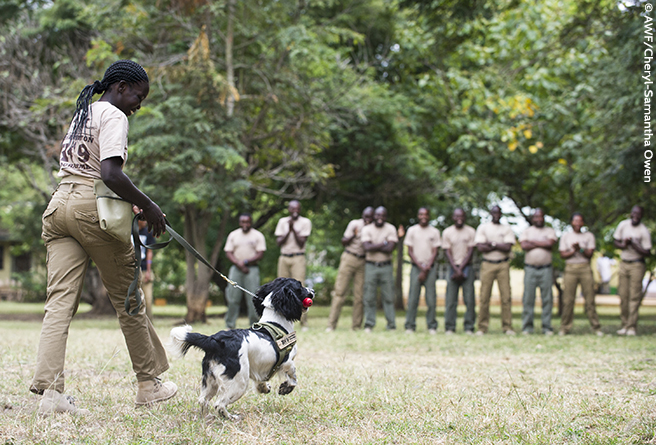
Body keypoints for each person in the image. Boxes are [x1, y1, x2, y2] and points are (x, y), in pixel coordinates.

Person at [31, 60, 176, 415]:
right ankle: (148, 384)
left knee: (59, 304)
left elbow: (86, 170)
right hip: (89, 207)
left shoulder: (84, 112)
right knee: (129, 298)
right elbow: (110, 174)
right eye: (138, 96)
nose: (138, 105)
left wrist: (131, 202)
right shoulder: (114, 115)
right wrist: (150, 205)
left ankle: (50, 394)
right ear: (121, 87)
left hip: (59, 205)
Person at [326, 207, 374, 332]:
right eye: (366, 216)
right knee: (340, 292)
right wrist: (354, 234)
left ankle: (356, 326)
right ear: (362, 215)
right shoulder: (355, 224)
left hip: (363, 262)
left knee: (359, 296)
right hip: (349, 258)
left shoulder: (373, 228)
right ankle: (331, 325)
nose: (368, 219)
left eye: (370, 217)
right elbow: (344, 241)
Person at [558, 213, 602, 336]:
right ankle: (564, 328)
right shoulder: (566, 236)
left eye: (580, 221)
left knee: (589, 299)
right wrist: (573, 250)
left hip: (585, 268)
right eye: (575, 221)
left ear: (583, 223)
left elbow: (590, 254)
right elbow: (562, 255)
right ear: (571, 222)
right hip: (570, 269)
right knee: (568, 300)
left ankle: (596, 327)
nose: (578, 223)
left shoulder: (589, 236)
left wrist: (580, 249)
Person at [475, 205, 517, 335]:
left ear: (501, 214)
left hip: (503, 265)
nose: (496, 215)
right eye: (494, 212)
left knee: (506, 297)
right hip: (487, 264)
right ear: (490, 213)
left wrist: (491, 244)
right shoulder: (483, 228)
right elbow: (480, 247)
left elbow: (508, 247)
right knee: (484, 297)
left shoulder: (506, 228)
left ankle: (507, 327)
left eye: (498, 212)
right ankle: (482, 327)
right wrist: (499, 245)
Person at [614, 205, 652, 336]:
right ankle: (624, 324)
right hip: (624, 263)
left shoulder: (644, 231)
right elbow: (616, 242)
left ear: (641, 216)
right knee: (623, 295)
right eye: (634, 213)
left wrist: (635, 245)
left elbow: (647, 252)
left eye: (638, 214)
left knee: (634, 297)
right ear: (630, 213)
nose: (635, 215)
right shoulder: (623, 225)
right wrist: (624, 245)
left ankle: (631, 327)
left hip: (637, 265)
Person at [224, 213, 266, 329]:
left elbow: (260, 253)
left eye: (247, 222)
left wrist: (246, 262)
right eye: (243, 222)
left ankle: (254, 325)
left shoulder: (257, 235)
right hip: (236, 269)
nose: (245, 224)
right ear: (239, 223)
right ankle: (230, 325)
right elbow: (228, 252)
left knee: (253, 297)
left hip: (251, 269)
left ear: (251, 222)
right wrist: (239, 263)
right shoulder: (234, 235)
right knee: (232, 297)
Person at [519, 208, 557, 335]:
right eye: (536, 217)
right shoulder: (527, 231)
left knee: (547, 299)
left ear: (544, 218)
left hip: (546, 269)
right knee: (528, 298)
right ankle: (527, 327)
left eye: (541, 216)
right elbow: (524, 246)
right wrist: (542, 242)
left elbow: (550, 244)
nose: (539, 219)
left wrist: (533, 242)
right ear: (533, 218)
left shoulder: (550, 231)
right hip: (530, 269)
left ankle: (546, 327)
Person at [403, 207, 441, 334]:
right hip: (416, 268)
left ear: (429, 216)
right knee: (413, 298)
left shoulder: (434, 232)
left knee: (431, 299)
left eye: (426, 214)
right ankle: (410, 326)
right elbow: (409, 251)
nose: (423, 216)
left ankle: (431, 326)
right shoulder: (412, 230)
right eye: (421, 214)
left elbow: (435, 252)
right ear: (418, 216)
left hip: (430, 268)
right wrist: (420, 267)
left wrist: (426, 268)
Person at [275, 200, 312, 328]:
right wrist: (288, 230)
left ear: (300, 209)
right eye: (292, 209)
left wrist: (293, 229)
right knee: (281, 288)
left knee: (300, 289)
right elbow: (279, 242)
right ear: (289, 210)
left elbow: (302, 242)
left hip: (298, 257)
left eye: (297, 209)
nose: (294, 211)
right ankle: (282, 319)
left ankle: (303, 321)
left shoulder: (305, 222)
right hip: (284, 257)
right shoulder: (282, 221)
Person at [361, 206, 398, 332]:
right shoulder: (367, 229)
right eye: (378, 215)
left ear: (385, 217)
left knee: (388, 297)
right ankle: (369, 324)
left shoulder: (391, 228)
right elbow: (367, 247)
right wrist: (384, 243)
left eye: (383, 215)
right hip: (371, 266)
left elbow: (390, 249)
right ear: (374, 216)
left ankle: (391, 325)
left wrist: (375, 245)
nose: (380, 218)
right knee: (369, 296)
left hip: (386, 266)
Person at [442, 208, 477, 335]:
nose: (459, 218)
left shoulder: (471, 231)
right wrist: (456, 269)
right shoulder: (447, 232)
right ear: (453, 217)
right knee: (450, 300)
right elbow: (447, 252)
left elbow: (471, 252)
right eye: (456, 216)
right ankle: (450, 327)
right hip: (452, 267)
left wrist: (461, 268)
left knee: (469, 300)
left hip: (467, 267)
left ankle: (469, 327)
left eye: (461, 216)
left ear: (465, 217)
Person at [133, 209, 156, 320]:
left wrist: (148, 270)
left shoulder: (148, 232)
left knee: (147, 299)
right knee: (132, 298)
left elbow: (149, 252)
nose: (146, 221)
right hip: (132, 269)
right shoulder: (130, 231)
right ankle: (134, 322)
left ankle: (149, 322)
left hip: (143, 268)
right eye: (144, 219)